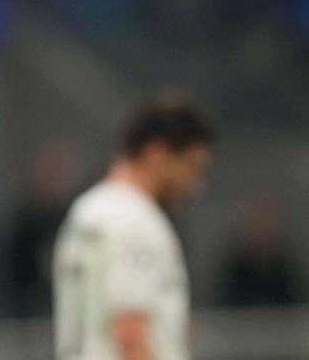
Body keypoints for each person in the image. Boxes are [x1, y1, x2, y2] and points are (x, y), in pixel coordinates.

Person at [52, 91, 216, 360]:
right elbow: (130, 333)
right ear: (156, 154)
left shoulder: (85, 211)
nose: (195, 186)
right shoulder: (136, 220)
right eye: (190, 167)